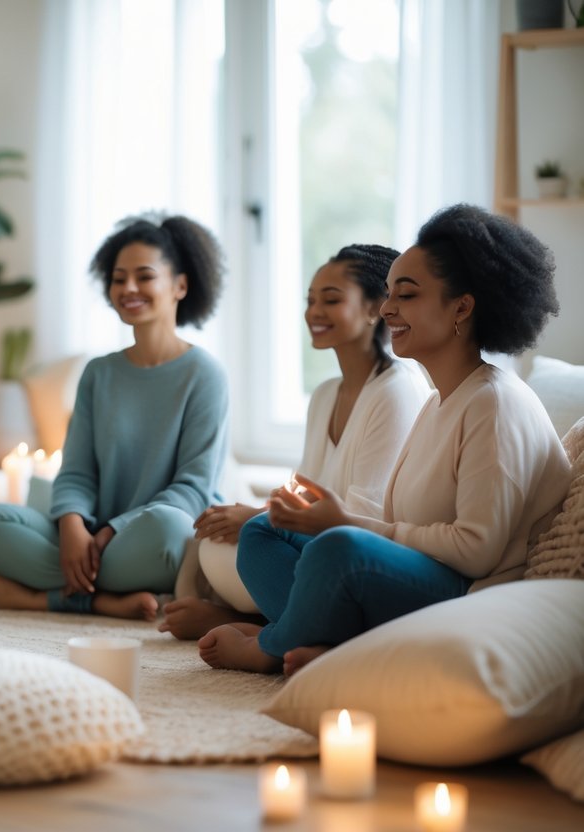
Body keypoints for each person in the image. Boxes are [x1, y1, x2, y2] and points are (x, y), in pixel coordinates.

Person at [199, 204, 571, 676]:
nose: (388, 308)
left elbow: (477, 551)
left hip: (473, 596)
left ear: (462, 306)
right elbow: (400, 523)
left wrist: (346, 524)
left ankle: (272, 645)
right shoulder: (440, 402)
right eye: (389, 294)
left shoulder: (493, 402)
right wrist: (330, 517)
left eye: (407, 295)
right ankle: (328, 642)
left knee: (340, 549)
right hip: (423, 578)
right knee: (265, 530)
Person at [0, 214, 230, 620]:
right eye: (118, 278)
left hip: (148, 539)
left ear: (180, 284)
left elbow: (192, 490)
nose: (128, 288)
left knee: (170, 527)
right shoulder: (99, 373)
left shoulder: (204, 374)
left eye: (144, 276)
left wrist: (109, 532)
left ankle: (45, 597)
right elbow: (76, 471)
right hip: (93, 539)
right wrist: (72, 526)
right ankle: (106, 600)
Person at [160, 244, 430, 639]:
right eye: (310, 300)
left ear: (376, 308)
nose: (314, 312)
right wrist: (257, 514)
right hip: (312, 545)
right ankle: (285, 622)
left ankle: (264, 627)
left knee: (254, 541)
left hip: (358, 555)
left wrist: (256, 519)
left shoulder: (397, 390)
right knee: (213, 546)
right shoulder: (324, 395)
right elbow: (298, 493)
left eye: (331, 300)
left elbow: (366, 518)